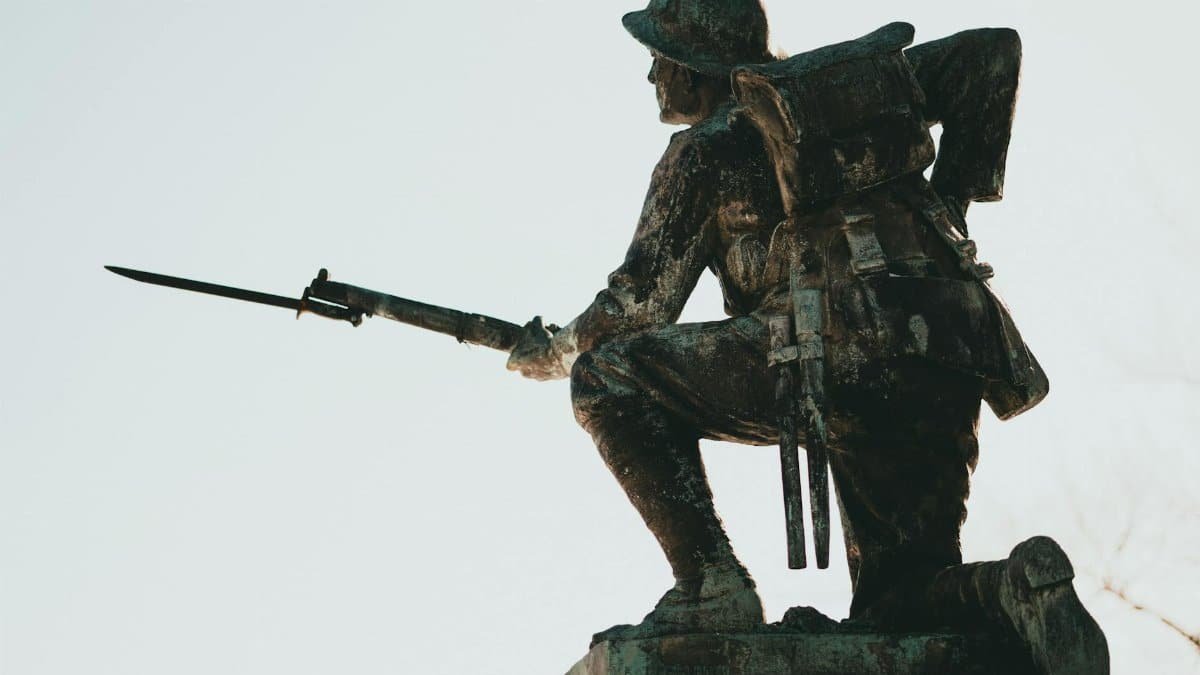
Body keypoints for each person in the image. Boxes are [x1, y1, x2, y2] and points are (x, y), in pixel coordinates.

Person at [507, 1, 1107, 672]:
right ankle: (1013, 588)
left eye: (661, 59)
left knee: (606, 376)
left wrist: (553, 354)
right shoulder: (840, 102)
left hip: (835, 349)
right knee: (899, 596)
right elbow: (991, 54)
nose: (651, 76)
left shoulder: (706, 149)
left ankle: (711, 586)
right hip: (945, 343)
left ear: (698, 68)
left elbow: (635, 308)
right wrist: (951, 206)